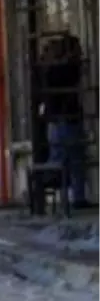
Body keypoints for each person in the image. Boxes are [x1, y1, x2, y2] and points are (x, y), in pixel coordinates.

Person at [40, 33, 89, 209]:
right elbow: (73, 78)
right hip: (67, 119)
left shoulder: (48, 70)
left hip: (55, 120)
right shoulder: (64, 70)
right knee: (73, 160)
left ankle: (67, 198)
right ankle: (75, 198)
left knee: (60, 160)